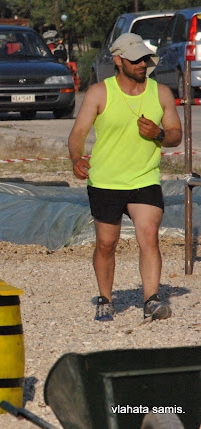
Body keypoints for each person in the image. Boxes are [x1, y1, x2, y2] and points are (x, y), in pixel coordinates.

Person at [68, 33, 182, 322]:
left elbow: (175, 135)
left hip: (145, 178)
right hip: (106, 181)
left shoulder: (161, 93)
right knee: (106, 244)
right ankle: (105, 299)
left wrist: (157, 134)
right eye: (135, 60)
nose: (142, 64)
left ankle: (152, 300)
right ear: (118, 61)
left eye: (145, 58)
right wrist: (77, 158)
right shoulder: (99, 93)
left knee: (149, 236)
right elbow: (78, 133)